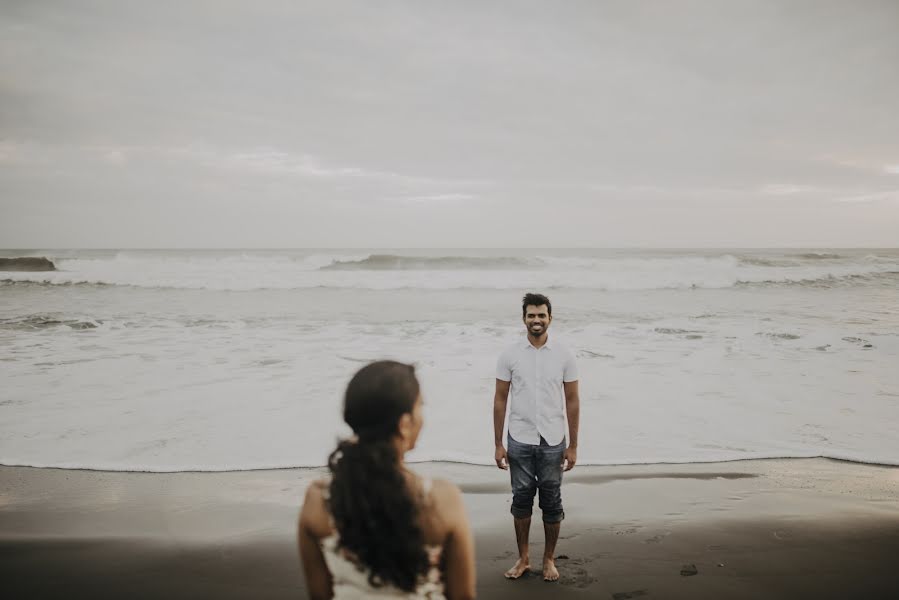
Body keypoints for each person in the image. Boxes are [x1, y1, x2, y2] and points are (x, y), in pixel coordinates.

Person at [298, 360, 476, 599]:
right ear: (404, 424)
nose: (422, 417)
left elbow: (319, 595)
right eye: (420, 407)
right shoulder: (440, 499)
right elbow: (463, 596)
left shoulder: (318, 501)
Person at [493, 293, 580, 582]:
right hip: (519, 438)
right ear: (524, 319)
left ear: (550, 318)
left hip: (554, 440)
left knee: (552, 502)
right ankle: (524, 559)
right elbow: (500, 400)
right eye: (531, 315)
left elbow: (572, 401)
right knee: (521, 500)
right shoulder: (510, 354)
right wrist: (498, 444)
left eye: (541, 315)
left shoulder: (564, 354)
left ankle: (549, 559)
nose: (536, 320)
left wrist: (573, 446)